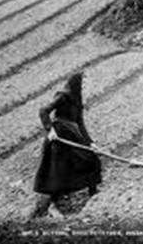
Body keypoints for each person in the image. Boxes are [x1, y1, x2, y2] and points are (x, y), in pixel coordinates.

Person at [33, 72, 102, 218]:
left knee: (90, 157)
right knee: (58, 169)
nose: (85, 86)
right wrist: (50, 129)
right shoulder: (63, 96)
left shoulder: (77, 101)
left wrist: (90, 142)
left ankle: (93, 191)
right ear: (76, 83)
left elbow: (80, 124)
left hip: (72, 135)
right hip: (59, 136)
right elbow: (43, 111)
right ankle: (51, 204)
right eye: (83, 83)